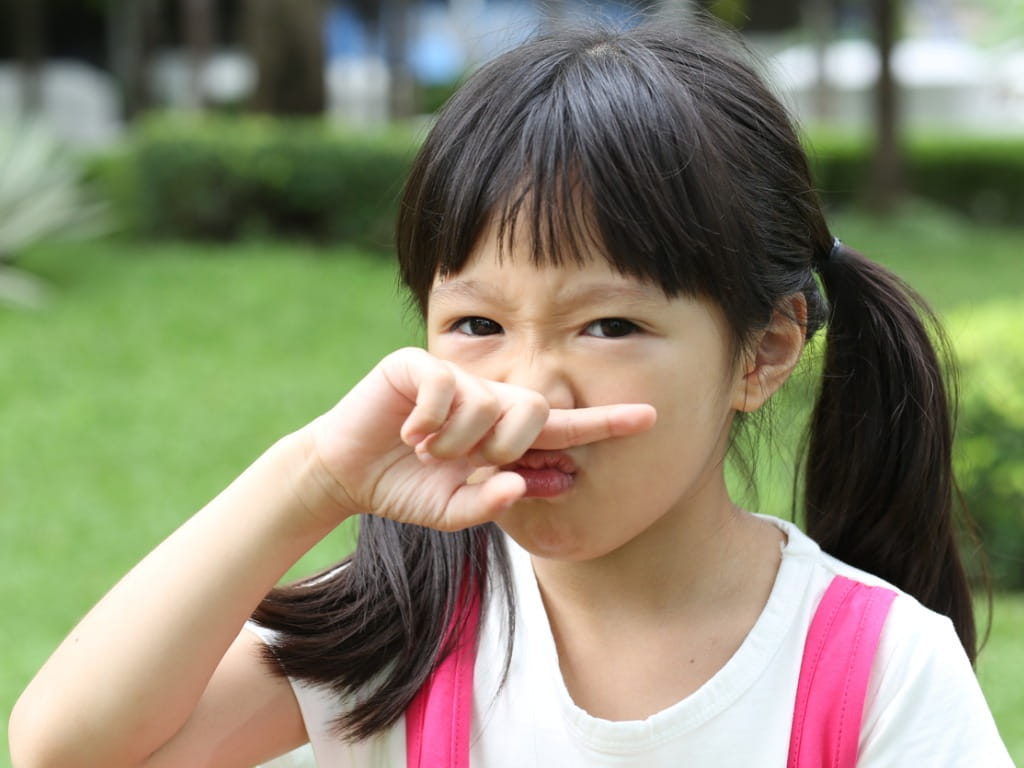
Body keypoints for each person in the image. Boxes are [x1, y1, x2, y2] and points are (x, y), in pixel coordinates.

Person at [9, 20, 1013, 768]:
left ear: (763, 352)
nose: (529, 389)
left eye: (608, 325)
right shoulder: (411, 625)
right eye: (477, 325)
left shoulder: (869, 669)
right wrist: (310, 476)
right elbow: (67, 751)